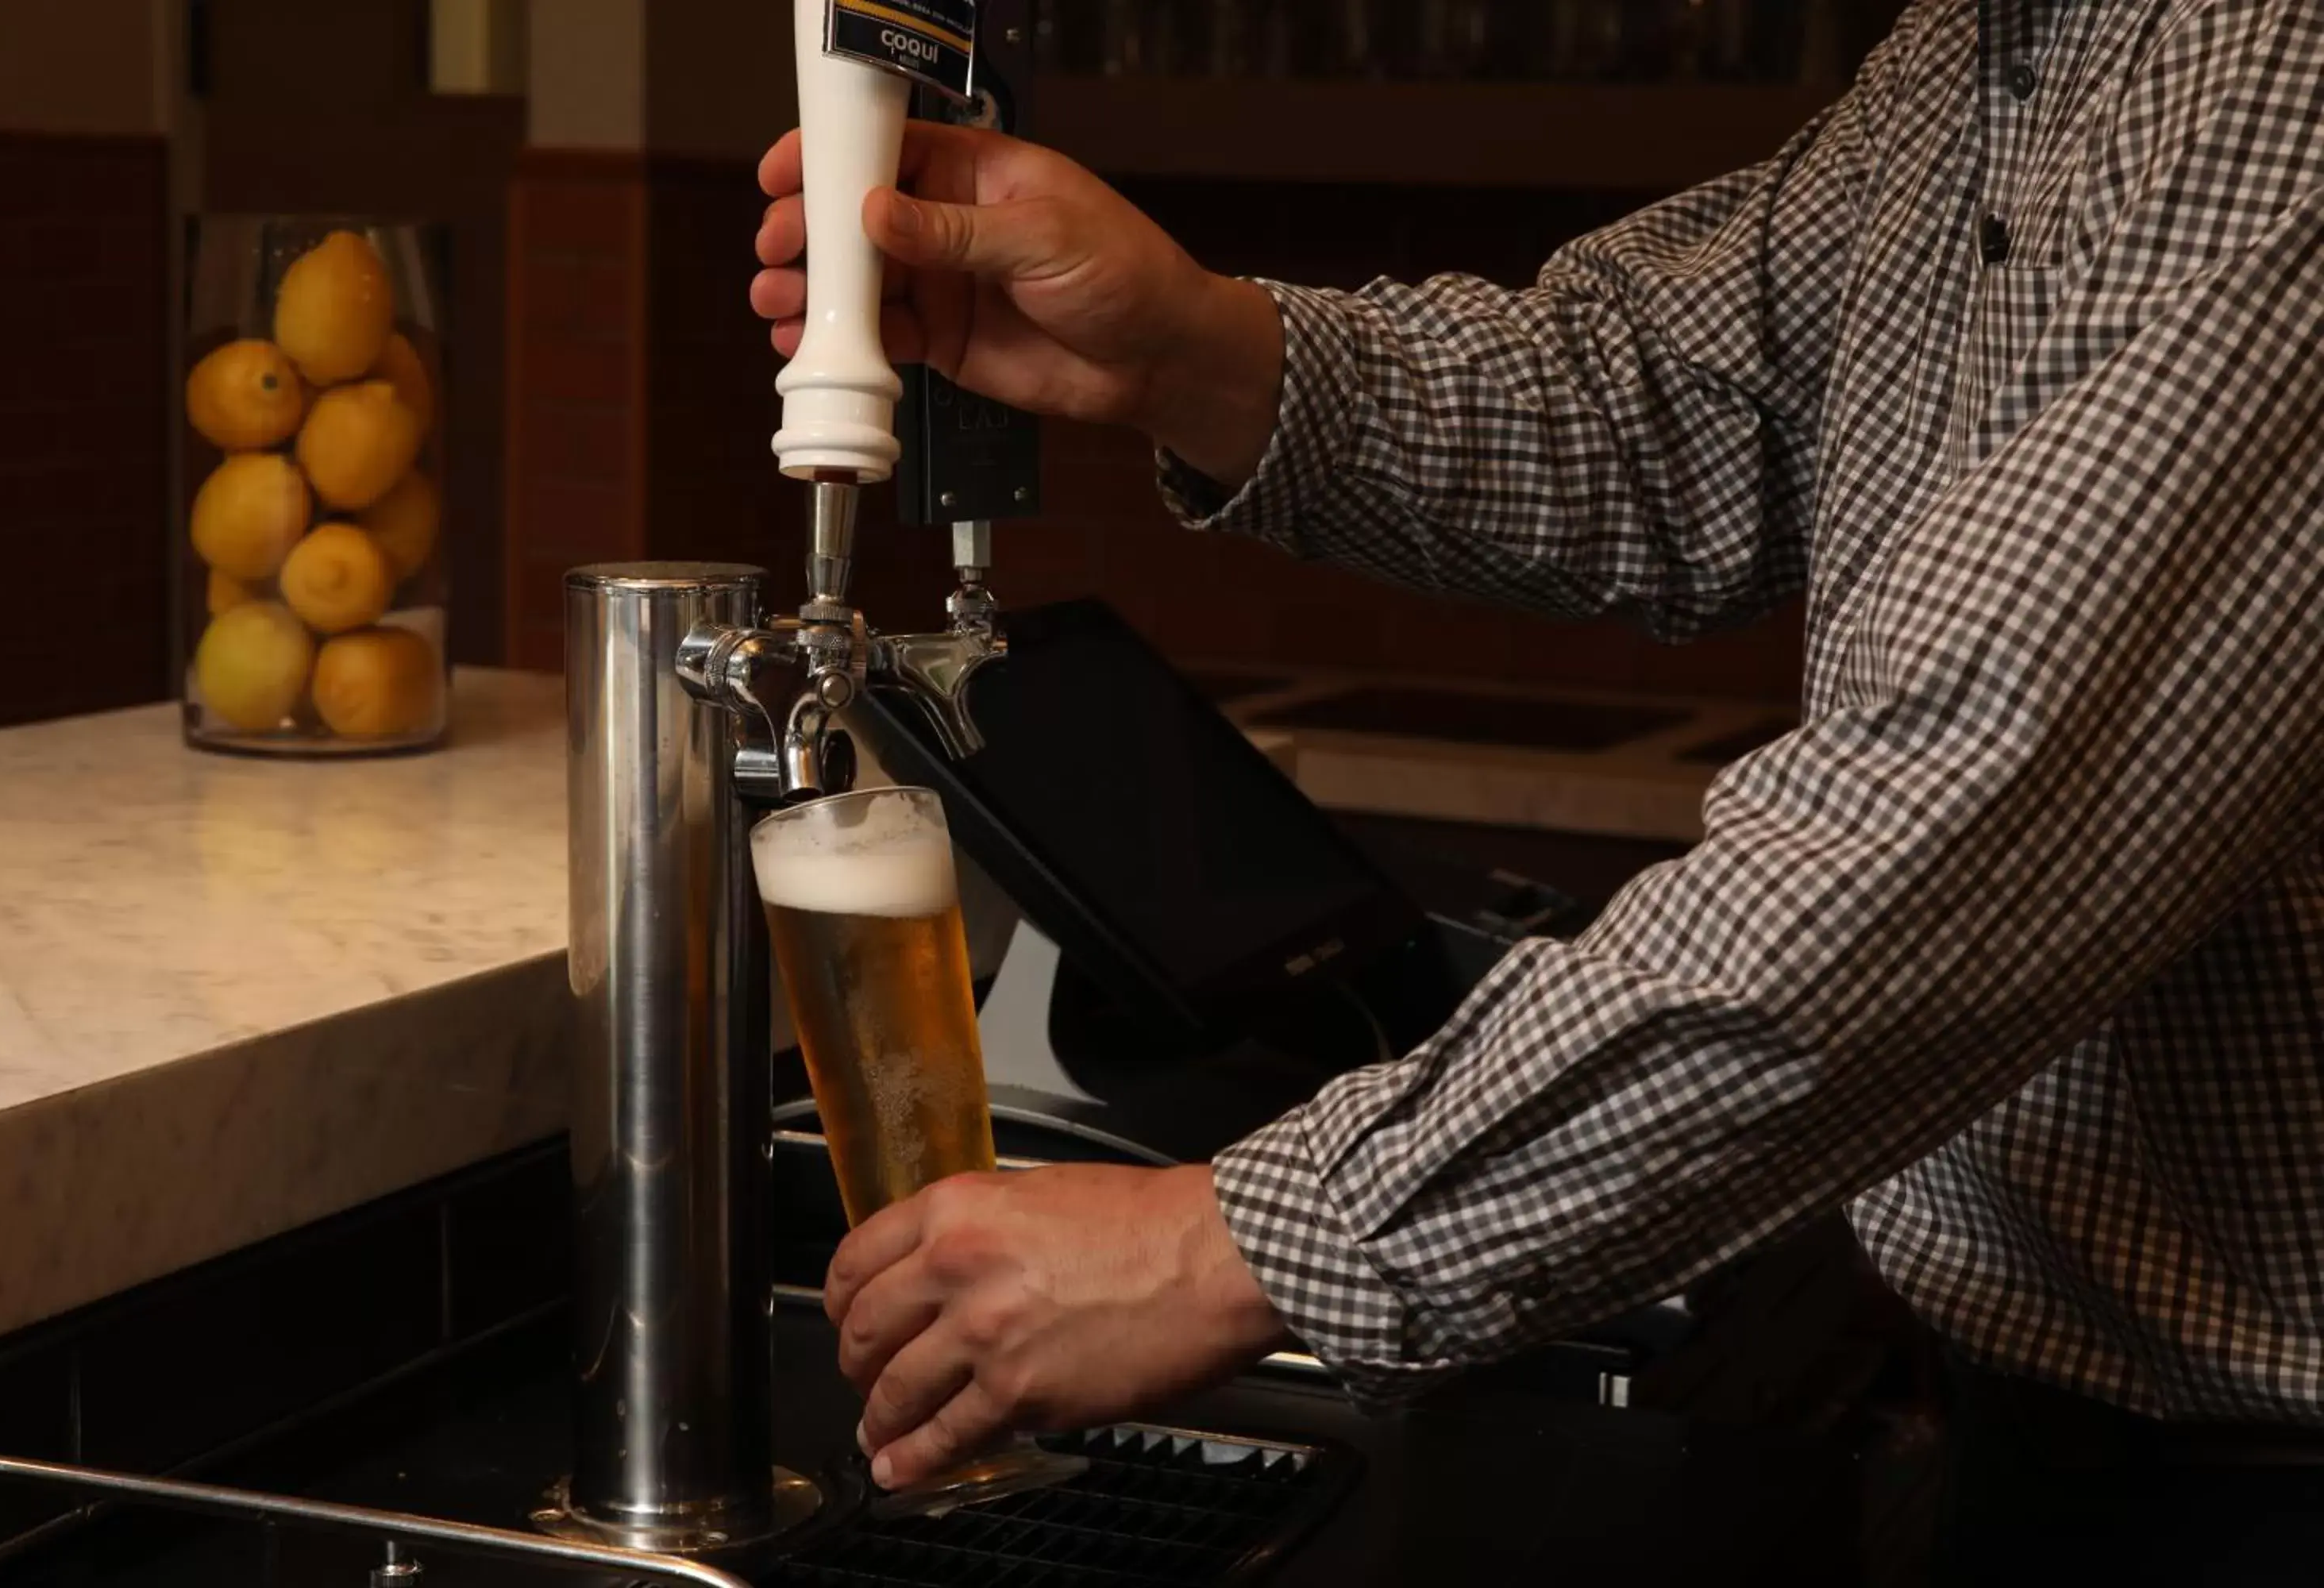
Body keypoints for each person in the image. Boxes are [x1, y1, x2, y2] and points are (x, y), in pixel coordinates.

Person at [751, 3, 2324, 1577]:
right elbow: (1656, 405)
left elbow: (1966, 820)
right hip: (2050, 1438)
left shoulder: (2266, 66)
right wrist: (1187, 344)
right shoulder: (1970, 59)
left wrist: (1219, 1245)